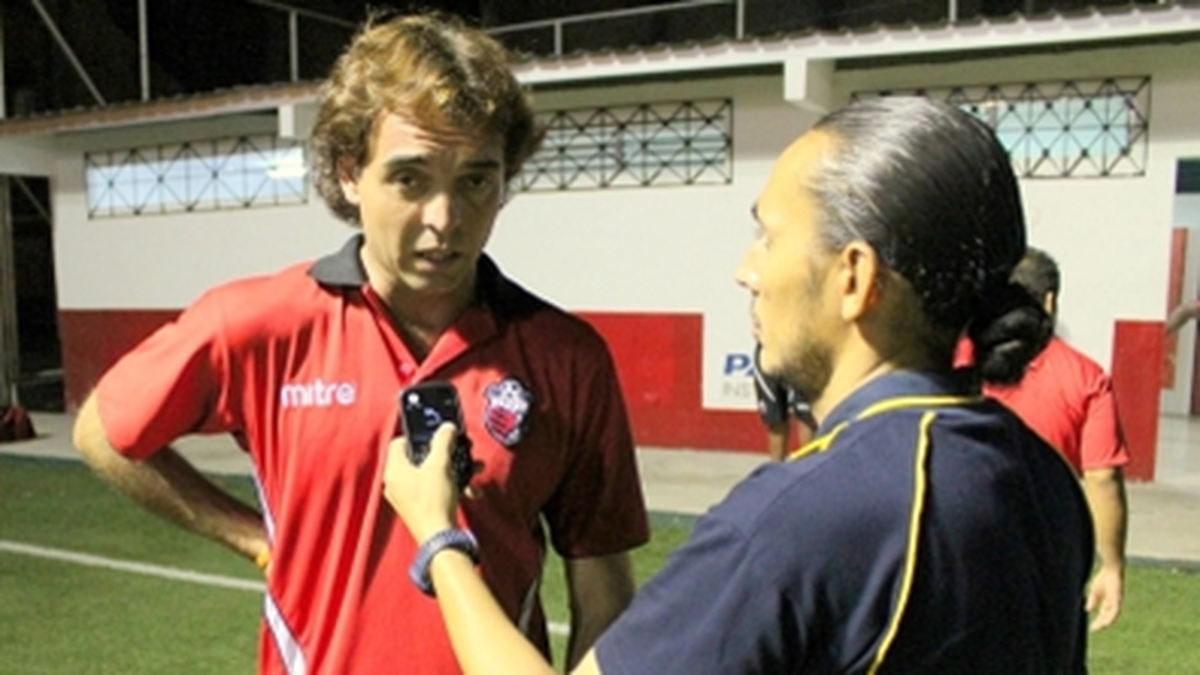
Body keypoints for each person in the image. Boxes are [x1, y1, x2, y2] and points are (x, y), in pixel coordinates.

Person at [384, 96, 1095, 674]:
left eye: (769, 235)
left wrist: (439, 535)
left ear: (854, 278)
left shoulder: (805, 516)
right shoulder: (1044, 480)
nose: (745, 269)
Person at [71, 12, 649, 674]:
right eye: (411, 178)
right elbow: (105, 432)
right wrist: (254, 538)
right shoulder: (261, 323)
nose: (444, 218)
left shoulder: (567, 358)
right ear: (350, 173)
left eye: (476, 180)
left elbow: (604, 585)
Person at [982, 246, 1130, 632]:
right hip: (1050, 549)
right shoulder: (1086, 376)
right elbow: (1102, 477)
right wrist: (1112, 564)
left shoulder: (958, 364)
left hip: (967, 540)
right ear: (1049, 301)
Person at [751, 342, 815, 460]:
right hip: (769, 350)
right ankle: (777, 472)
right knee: (775, 417)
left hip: (802, 348)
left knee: (806, 416)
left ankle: (809, 469)